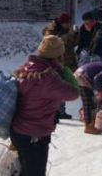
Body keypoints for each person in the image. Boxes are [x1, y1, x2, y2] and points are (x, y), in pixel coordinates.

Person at [11, 35, 79, 175]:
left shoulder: (27, 68)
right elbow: (73, 93)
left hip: (18, 131)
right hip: (34, 135)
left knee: (25, 170)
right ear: (58, 56)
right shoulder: (48, 78)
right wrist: (66, 72)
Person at [42, 11, 79, 120]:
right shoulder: (51, 31)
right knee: (55, 87)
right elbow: (57, 42)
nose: (68, 25)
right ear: (61, 22)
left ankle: (60, 111)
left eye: (69, 23)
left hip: (66, 61)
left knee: (62, 86)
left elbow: (72, 43)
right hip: (54, 63)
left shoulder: (65, 31)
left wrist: (76, 34)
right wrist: (70, 34)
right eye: (66, 23)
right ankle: (53, 111)